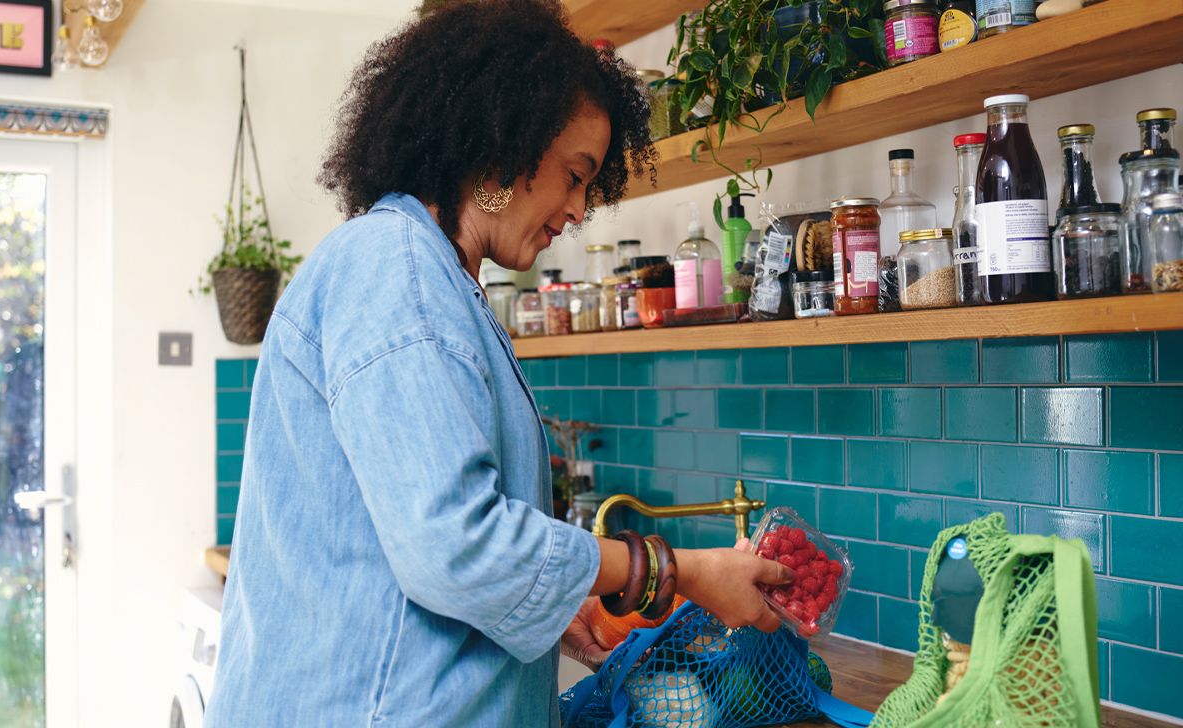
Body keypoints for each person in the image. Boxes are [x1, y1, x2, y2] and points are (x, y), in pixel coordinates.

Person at [205, 2, 793, 725]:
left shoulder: (433, 277)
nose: (579, 209)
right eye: (575, 175)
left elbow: (441, 549)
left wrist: (541, 609)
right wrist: (685, 570)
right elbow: (454, 544)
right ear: (503, 142)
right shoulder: (398, 272)